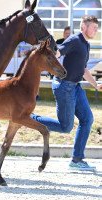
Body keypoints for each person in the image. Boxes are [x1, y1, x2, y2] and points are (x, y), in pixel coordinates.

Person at [31, 15, 102, 171]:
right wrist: (52, 53)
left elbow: (83, 69)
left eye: (97, 28)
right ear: (84, 27)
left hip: (75, 87)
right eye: (94, 27)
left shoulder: (86, 44)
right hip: (64, 87)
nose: (96, 30)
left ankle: (77, 160)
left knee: (87, 119)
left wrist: (96, 84)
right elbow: (58, 53)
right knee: (65, 127)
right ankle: (30, 118)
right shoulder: (74, 40)